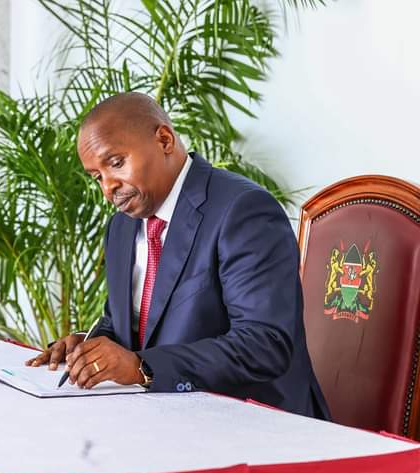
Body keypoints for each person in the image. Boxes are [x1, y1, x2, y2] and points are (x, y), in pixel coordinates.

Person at [27, 92, 330, 419]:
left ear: (164, 139)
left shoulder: (243, 210)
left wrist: (142, 366)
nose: (108, 187)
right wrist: (87, 347)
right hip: (164, 418)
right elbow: (125, 324)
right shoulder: (121, 227)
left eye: (116, 163)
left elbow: (263, 345)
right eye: (97, 176)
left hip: (256, 425)